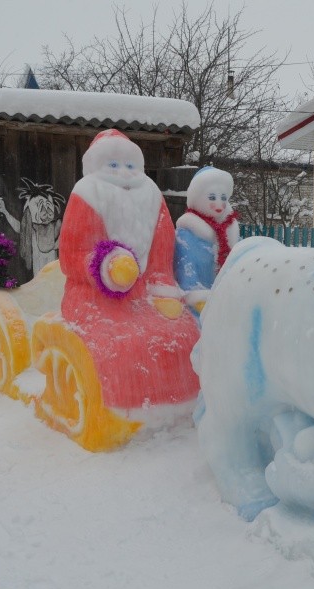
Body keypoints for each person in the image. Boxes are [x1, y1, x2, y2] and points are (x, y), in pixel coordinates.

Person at [57, 129, 199, 411]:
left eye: (130, 165)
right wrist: (104, 267)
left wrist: (162, 284)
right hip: (94, 293)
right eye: (113, 165)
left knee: (183, 334)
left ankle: (181, 403)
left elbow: (162, 248)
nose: (123, 173)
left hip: (147, 291)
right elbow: (72, 254)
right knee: (117, 345)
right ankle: (117, 410)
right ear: (97, 167)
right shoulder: (86, 194)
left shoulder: (151, 196)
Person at [173, 167, 240, 315]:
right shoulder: (186, 233)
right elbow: (186, 272)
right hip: (197, 304)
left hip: (226, 300)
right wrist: (197, 298)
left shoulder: (230, 232)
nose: (219, 204)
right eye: (212, 198)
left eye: (223, 198)